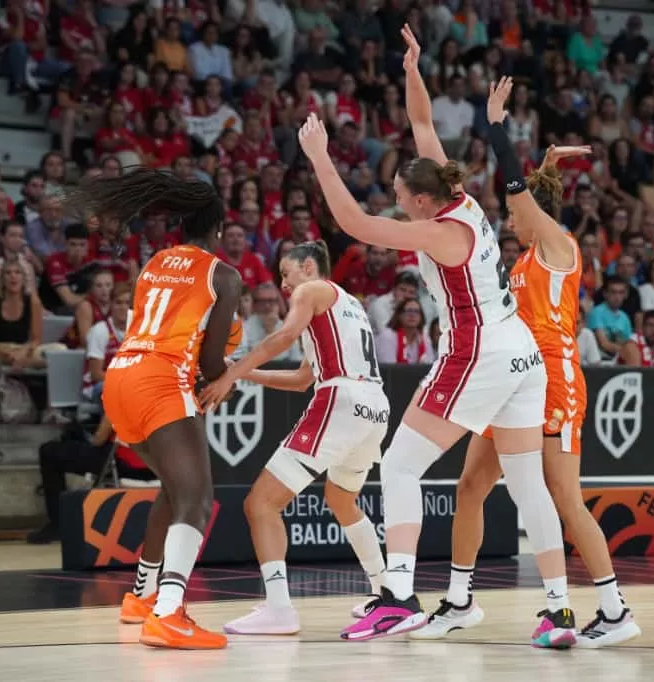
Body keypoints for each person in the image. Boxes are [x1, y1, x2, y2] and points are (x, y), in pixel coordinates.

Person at [297, 27, 569, 645]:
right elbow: (421, 123)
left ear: (421, 202)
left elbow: (351, 222)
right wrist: (412, 69)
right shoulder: (459, 196)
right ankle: (558, 608)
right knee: (528, 486)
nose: (395, 202)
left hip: (479, 353)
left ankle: (396, 595)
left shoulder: (438, 232)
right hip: (519, 349)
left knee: (399, 465)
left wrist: (318, 158)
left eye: (399, 196)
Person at [409, 78, 639, 649]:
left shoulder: (558, 245)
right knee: (469, 487)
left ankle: (613, 607)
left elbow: (518, 190)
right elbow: (525, 188)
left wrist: (495, 129)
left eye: (519, 212)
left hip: (556, 378)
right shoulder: (528, 257)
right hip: (511, 378)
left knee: (563, 496)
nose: (509, 221)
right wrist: (545, 166)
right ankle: (459, 600)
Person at [68, 168, 241, 650]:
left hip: (120, 377)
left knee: (174, 487)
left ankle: (142, 596)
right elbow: (208, 361)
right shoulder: (223, 274)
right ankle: (170, 613)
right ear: (220, 228)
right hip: (161, 380)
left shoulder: (155, 262)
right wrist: (227, 372)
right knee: (198, 499)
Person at [199, 241, 390, 635]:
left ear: (307, 267)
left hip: (342, 399)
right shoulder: (347, 304)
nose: (284, 285)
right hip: (375, 407)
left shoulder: (311, 290)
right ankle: (386, 591)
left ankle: (279, 609)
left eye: (285, 274)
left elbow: (282, 337)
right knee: (341, 499)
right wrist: (245, 374)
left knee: (260, 504)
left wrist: (230, 375)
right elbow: (304, 378)